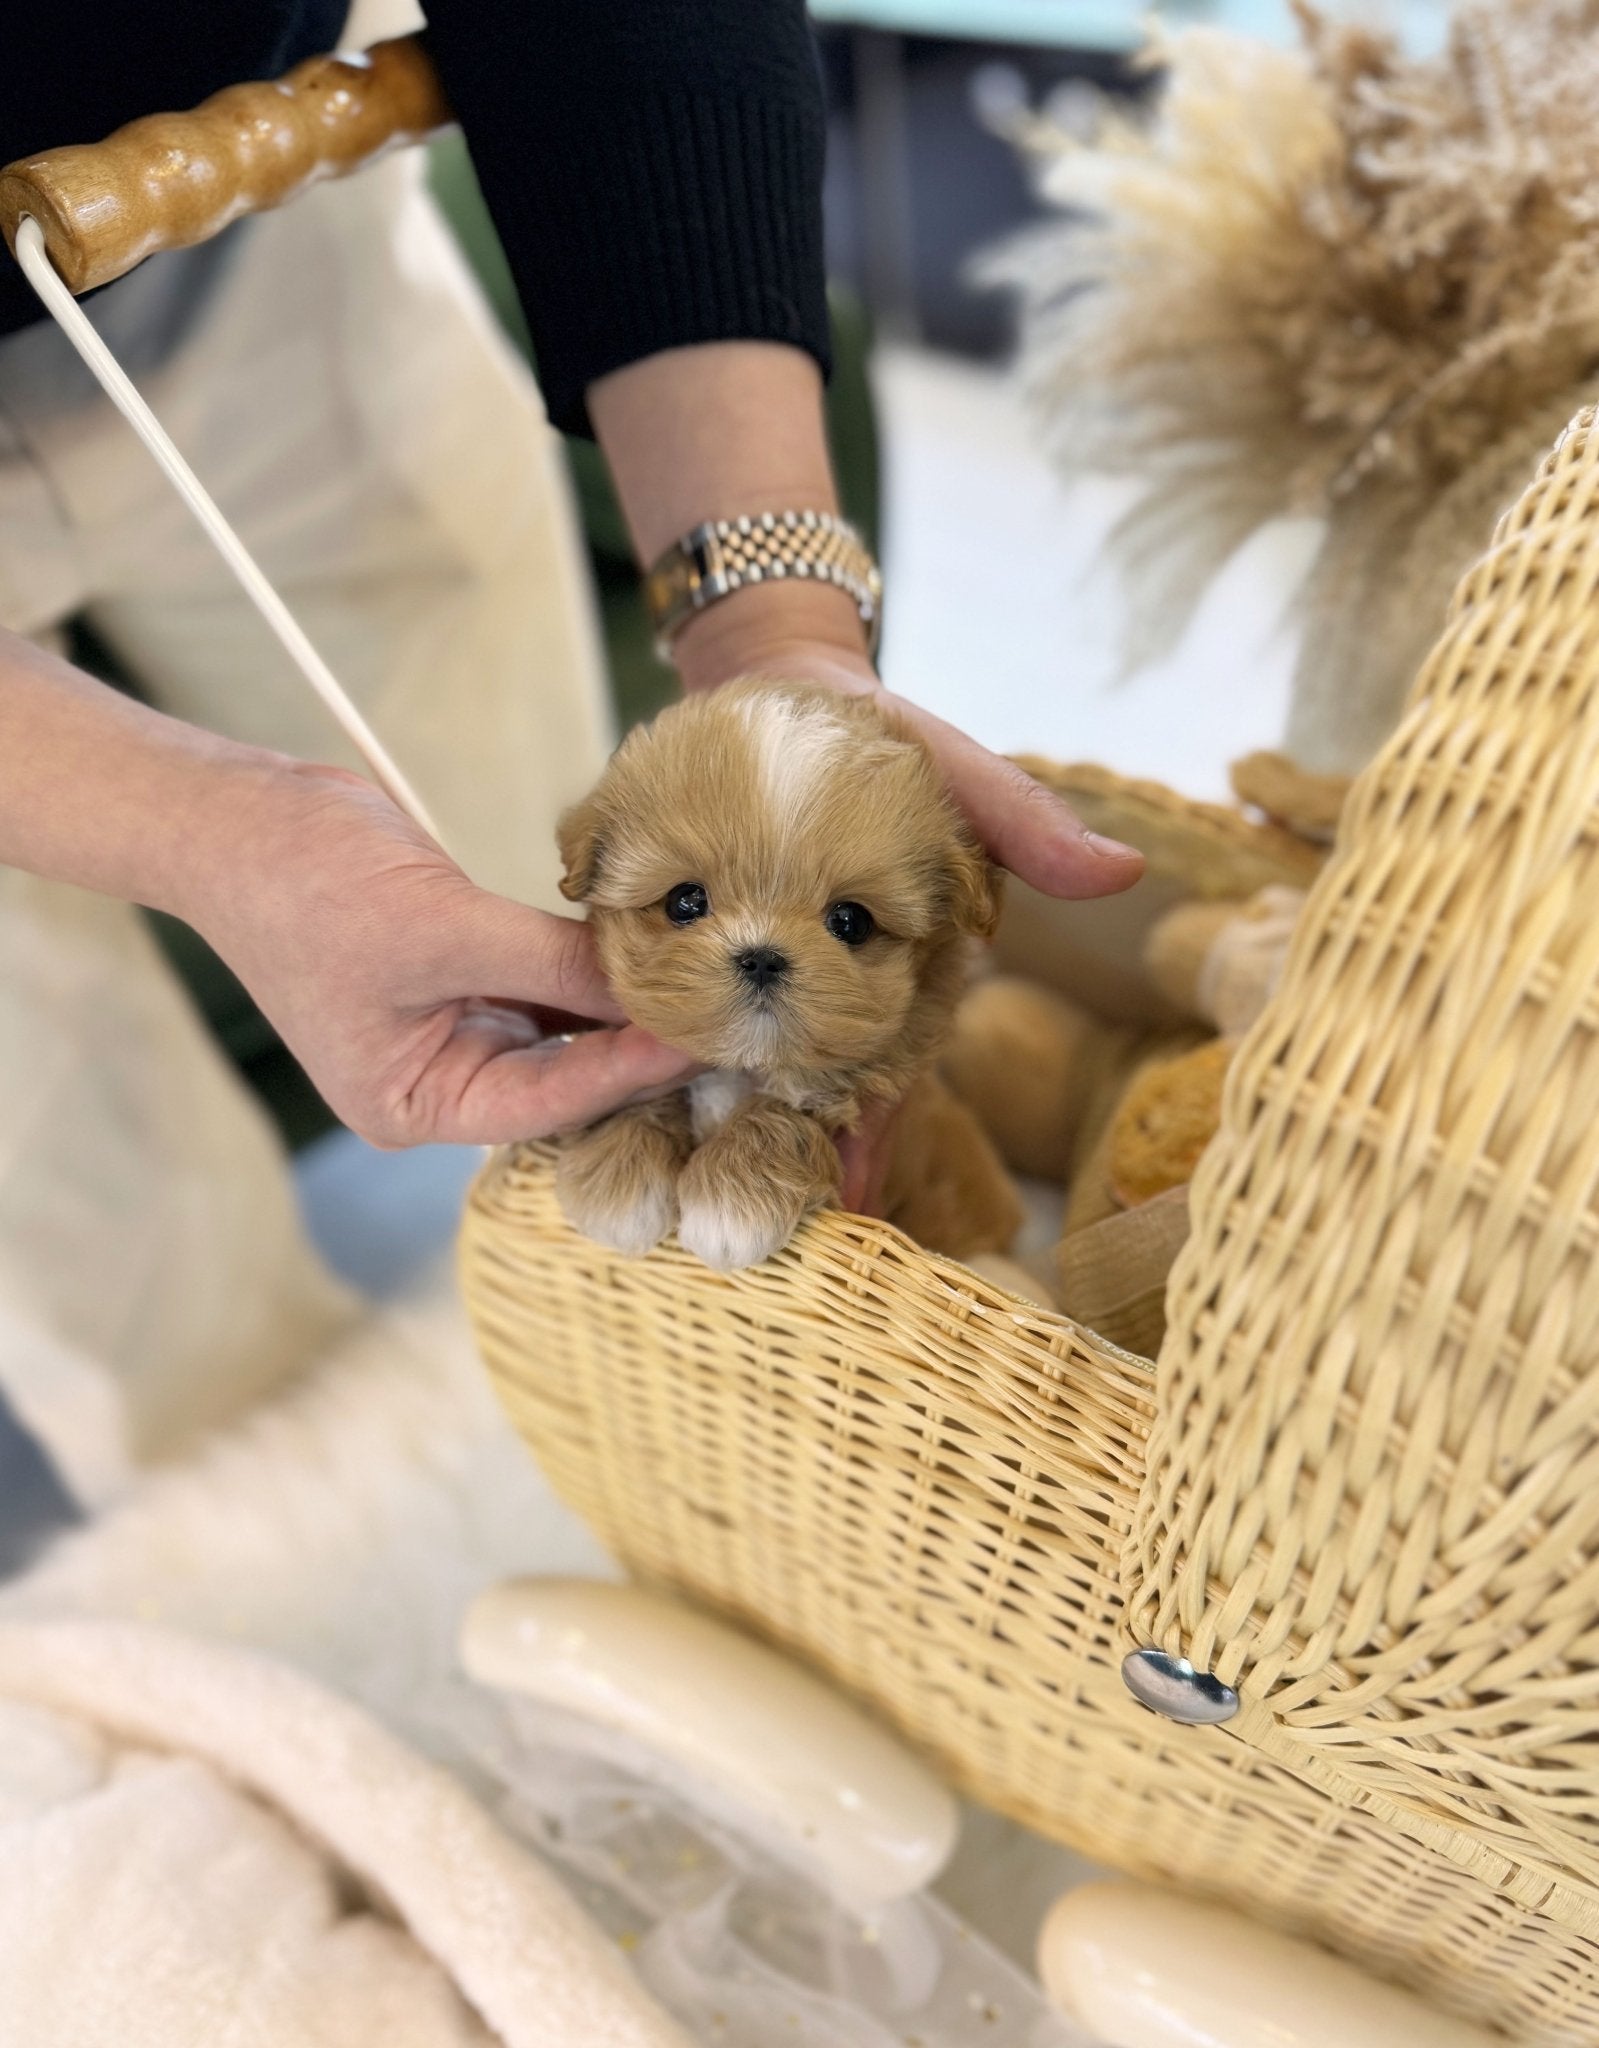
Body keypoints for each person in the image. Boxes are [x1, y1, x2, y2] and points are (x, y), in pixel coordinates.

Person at [0, 1, 1142, 1499]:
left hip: (244, 205)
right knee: (63, 1137)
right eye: (679, 905)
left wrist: (773, 622)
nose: (749, 956)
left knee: (490, 820)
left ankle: (609, 1396)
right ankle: (257, 1499)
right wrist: (216, 831)